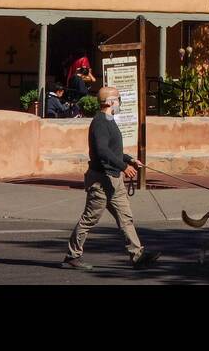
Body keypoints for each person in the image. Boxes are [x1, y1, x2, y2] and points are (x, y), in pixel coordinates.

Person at [62, 85, 160, 270]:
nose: (120, 102)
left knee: (126, 218)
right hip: (101, 180)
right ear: (109, 102)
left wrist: (130, 160)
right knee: (89, 218)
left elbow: (113, 151)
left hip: (114, 180)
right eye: (118, 99)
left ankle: (137, 256)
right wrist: (124, 167)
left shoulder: (110, 121)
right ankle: (72, 256)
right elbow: (102, 151)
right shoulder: (100, 122)